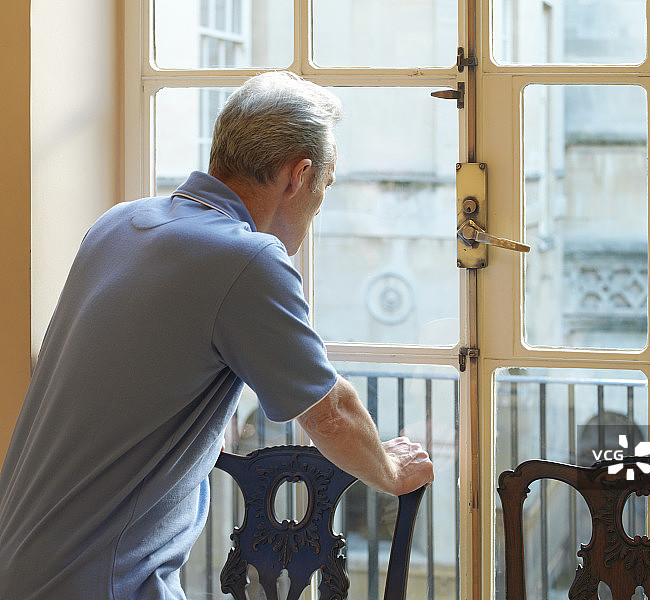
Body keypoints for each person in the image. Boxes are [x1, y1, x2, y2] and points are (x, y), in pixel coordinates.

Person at [0, 71, 434, 599]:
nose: (320, 204)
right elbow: (330, 413)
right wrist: (389, 470)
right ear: (298, 176)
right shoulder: (246, 259)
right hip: (100, 582)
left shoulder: (118, 224)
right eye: (326, 184)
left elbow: (136, 368)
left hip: (21, 562)